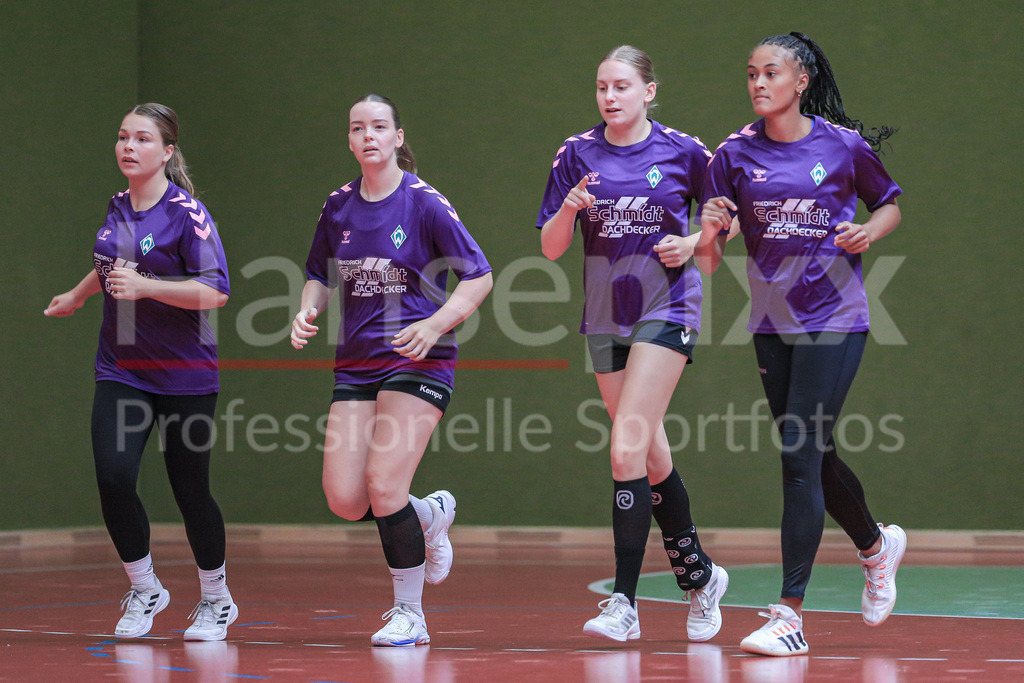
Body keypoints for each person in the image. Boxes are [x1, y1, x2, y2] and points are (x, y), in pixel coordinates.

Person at [697, 32, 907, 656]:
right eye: (751, 74)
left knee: (797, 451)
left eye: (771, 73)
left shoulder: (842, 147)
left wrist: (867, 231)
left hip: (836, 315)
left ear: (801, 81)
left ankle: (788, 614)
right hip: (770, 322)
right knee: (810, 454)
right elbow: (710, 260)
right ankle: (876, 546)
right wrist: (710, 232)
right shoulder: (732, 155)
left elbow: (890, 202)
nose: (759, 83)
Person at [536, 46, 729, 643]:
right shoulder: (576, 154)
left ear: (649, 91)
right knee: (648, 453)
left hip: (668, 307)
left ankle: (623, 601)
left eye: (622, 86)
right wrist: (568, 209)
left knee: (624, 450)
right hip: (604, 317)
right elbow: (549, 247)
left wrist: (694, 239)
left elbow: (729, 219)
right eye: (601, 87)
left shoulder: (683, 150)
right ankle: (699, 576)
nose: (610, 96)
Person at [290, 94, 492, 647]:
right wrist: (309, 308)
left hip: (418, 358)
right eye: (358, 128)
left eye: (379, 126)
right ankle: (429, 514)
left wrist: (435, 325)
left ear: (398, 137)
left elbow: (478, 277)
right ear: (351, 140)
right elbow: (318, 272)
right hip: (355, 364)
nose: (368, 136)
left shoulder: (424, 203)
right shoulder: (338, 206)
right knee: (346, 498)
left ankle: (409, 614)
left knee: (383, 484)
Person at [44, 103, 237, 641]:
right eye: (123, 137)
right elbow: (112, 260)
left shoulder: (188, 215)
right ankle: (145, 585)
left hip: (185, 376)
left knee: (189, 489)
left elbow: (216, 291)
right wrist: (81, 294)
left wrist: (148, 287)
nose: (129, 147)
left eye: (143, 139)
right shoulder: (118, 205)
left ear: (167, 151)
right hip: (122, 369)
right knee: (113, 476)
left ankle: (217, 598)